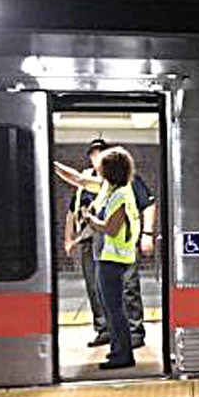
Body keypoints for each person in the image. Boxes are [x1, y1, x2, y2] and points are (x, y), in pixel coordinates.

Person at [56, 142, 157, 349]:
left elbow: (113, 226)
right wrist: (55, 165)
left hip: (120, 247)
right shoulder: (105, 186)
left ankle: (133, 332)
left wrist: (147, 234)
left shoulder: (123, 188)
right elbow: (78, 180)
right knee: (100, 290)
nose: (97, 162)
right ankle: (110, 332)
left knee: (127, 287)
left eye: (102, 158)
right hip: (100, 245)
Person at [78, 146, 140, 370]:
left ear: (110, 170)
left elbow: (111, 228)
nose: (99, 170)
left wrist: (89, 217)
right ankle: (117, 351)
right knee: (110, 307)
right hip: (108, 257)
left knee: (114, 309)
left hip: (113, 259)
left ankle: (123, 355)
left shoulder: (120, 195)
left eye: (102, 166)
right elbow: (79, 180)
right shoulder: (114, 191)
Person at [63, 139, 110, 347]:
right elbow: (72, 213)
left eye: (100, 153)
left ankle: (119, 328)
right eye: (93, 154)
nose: (96, 158)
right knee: (93, 286)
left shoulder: (113, 178)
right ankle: (103, 329)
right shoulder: (85, 180)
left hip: (109, 239)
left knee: (111, 285)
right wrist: (69, 238)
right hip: (87, 239)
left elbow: (77, 179)